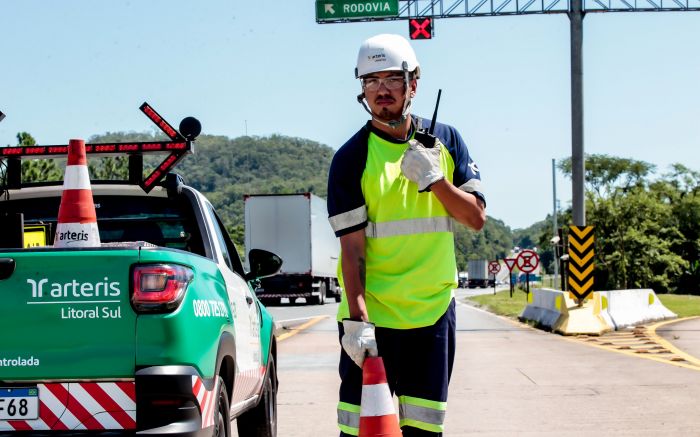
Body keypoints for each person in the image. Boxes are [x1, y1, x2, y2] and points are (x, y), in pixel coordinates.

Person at [327, 34, 486, 437]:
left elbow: (475, 219)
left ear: (413, 84)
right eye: (370, 81)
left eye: (391, 79)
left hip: (432, 315)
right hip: (374, 321)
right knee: (361, 431)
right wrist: (356, 319)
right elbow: (352, 251)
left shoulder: (446, 142)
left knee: (423, 429)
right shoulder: (351, 159)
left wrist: (436, 180)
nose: (381, 90)